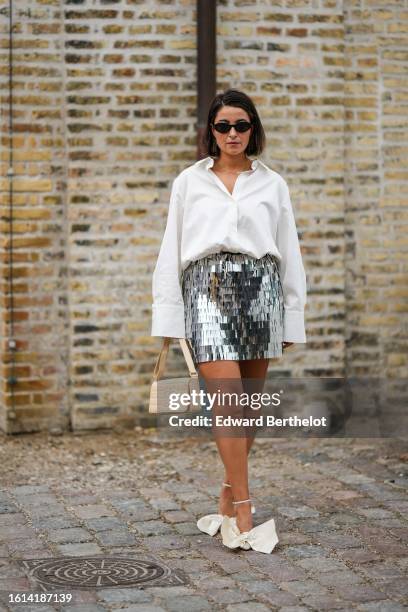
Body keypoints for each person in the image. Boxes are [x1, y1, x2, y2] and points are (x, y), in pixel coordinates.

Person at [151, 88, 307, 551]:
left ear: (253, 129)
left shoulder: (273, 184)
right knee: (226, 401)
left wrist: (291, 318)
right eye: (224, 126)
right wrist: (170, 316)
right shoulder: (189, 181)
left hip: (262, 291)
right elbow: (171, 249)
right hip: (207, 291)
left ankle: (226, 493)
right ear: (211, 132)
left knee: (249, 407)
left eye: (241, 125)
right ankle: (244, 508)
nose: (233, 133)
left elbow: (290, 251)